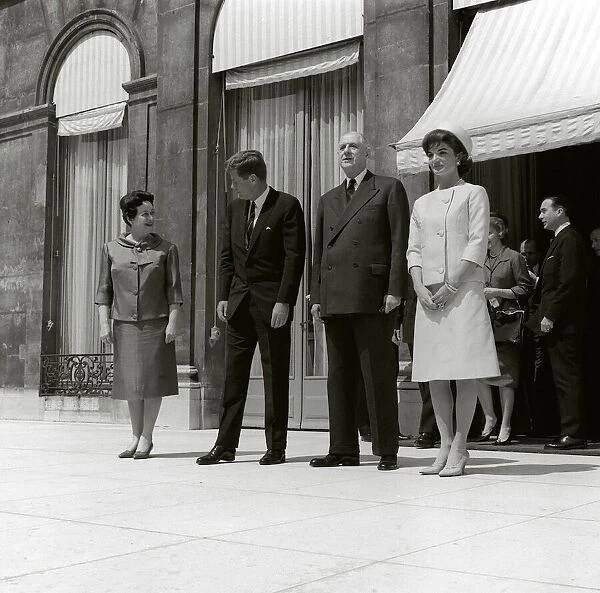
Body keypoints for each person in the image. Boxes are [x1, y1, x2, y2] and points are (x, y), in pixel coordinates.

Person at [196, 150, 306, 466]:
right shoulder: (234, 210)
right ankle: (225, 445)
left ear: (253, 179)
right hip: (240, 305)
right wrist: (223, 296)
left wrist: (285, 300)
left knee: (275, 376)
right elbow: (227, 256)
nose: (234, 188)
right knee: (234, 376)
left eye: (236, 182)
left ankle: (276, 447)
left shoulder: (286, 206)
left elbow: (294, 258)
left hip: (272, 306)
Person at [309, 131, 409, 471]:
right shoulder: (328, 198)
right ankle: (342, 449)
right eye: (341, 147)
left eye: (353, 145)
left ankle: (386, 449)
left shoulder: (388, 187)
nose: (346, 151)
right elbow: (319, 252)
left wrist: (395, 289)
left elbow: (399, 242)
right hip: (335, 298)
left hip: (373, 296)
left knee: (377, 375)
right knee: (339, 376)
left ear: (367, 152)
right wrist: (316, 295)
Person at [407, 123, 499, 477]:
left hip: (463, 292)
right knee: (435, 374)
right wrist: (418, 286)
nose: (435, 159)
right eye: (430, 154)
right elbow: (413, 249)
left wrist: (452, 283)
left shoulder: (474, 193)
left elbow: (477, 242)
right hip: (428, 295)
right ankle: (444, 443)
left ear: (460, 156)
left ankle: (461, 444)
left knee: (463, 371)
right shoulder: (422, 202)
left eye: (443, 152)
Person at [95, 190, 183, 459]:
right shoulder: (110, 249)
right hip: (124, 325)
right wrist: (103, 325)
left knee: (152, 382)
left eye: (152, 213)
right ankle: (134, 436)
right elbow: (103, 292)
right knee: (132, 384)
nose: (151, 218)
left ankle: (147, 437)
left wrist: (173, 324)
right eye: (145, 214)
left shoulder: (167, 249)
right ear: (129, 218)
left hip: (156, 325)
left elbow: (175, 293)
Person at [526, 195, 587, 450]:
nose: (540, 216)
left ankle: (573, 432)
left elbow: (568, 283)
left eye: (544, 211)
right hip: (555, 323)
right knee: (560, 378)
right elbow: (553, 283)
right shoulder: (557, 240)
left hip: (563, 324)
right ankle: (567, 429)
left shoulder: (569, 238)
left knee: (567, 378)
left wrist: (550, 315)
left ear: (559, 211)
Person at [475, 213, 534, 445]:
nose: (485, 237)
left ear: (500, 233)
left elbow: (525, 290)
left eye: (488, 232)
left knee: (506, 377)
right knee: (477, 372)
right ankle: (490, 417)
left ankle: (506, 424)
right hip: (482, 323)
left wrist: (498, 293)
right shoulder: (480, 259)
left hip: (506, 324)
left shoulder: (514, 258)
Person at [400, 280, 438, 449]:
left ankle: (428, 430)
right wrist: (396, 323)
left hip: (436, 319)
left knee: (435, 377)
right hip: (412, 321)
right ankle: (431, 428)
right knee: (423, 379)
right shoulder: (410, 256)